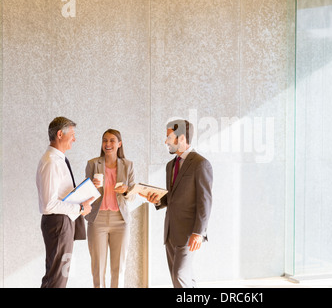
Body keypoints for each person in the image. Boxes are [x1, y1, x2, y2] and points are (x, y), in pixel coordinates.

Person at [140, 119, 213, 288]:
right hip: (171, 231)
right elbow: (171, 198)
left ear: (181, 138)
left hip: (189, 232)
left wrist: (199, 232)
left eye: (169, 137)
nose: (165, 141)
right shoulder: (170, 165)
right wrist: (157, 199)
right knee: (183, 275)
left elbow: (205, 201)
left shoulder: (201, 164)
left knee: (179, 275)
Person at [36, 116, 93, 288]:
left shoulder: (58, 160)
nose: (74, 139)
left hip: (62, 223)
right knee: (57, 278)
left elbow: (62, 194)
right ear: (60, 134)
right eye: (72, 134)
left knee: (60, 275)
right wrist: (80, 207)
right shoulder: (51, 162)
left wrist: (88, 188)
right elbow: (49, 204)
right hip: (58, 223)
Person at [85, 129, 136, 288]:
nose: (108, 144)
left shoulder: (128, 165)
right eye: (105, 140)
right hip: (97, 220)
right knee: (97, 268)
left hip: (120, 221)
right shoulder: (93, 164)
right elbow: (85, 194)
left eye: (112, 140)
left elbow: (133, 195)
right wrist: (91, 187)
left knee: (118, 268)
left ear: (119, 144)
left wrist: (127, 190)